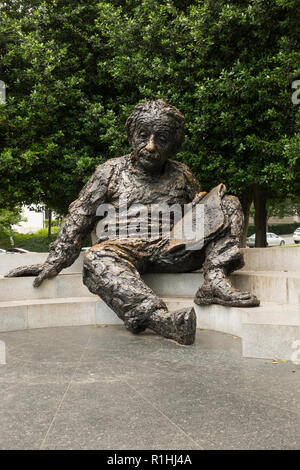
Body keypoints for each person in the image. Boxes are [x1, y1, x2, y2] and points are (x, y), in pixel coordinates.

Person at [5, 100, 259, 345]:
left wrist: (203, 205)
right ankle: (161, 320)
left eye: (161, 139)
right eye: (143, 136)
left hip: (173, 248)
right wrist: (55, 260)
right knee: (95, 258)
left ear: (174, 144)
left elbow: (204, 218)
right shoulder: (110, 171)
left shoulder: (182, 174)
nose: (150, 146)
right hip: (120, 248)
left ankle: (214, 279)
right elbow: (80, 215)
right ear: (131, 136)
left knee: (227, 202)